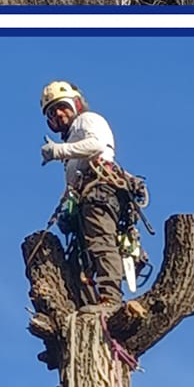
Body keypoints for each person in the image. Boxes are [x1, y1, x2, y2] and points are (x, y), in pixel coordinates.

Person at [40, 80, 126, 308]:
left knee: (100, 243)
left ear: (75, 104)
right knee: (81, 258)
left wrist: (58, 151)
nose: (58, 114)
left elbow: (97, 145)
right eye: (51, 112)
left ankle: (110, 299)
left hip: (99, 190)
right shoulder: (71, 141)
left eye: (61, 107)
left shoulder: (88, 120)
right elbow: (73, 182)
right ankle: (87, 305)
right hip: (84, 197)